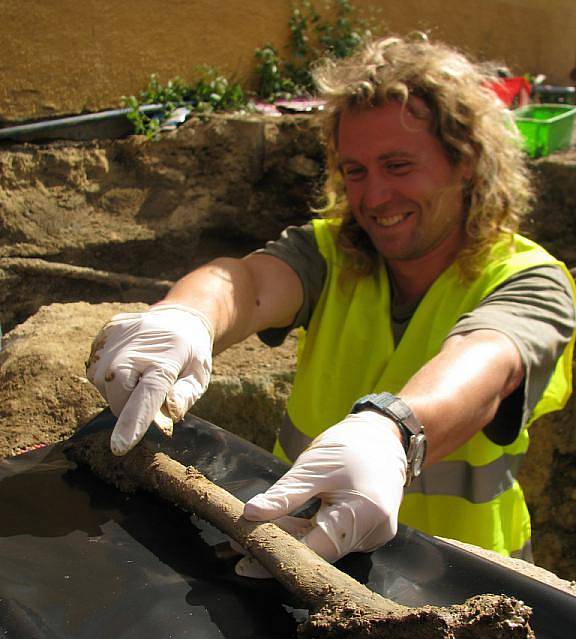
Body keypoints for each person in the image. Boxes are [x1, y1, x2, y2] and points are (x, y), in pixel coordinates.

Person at [87, 35, 575, 575]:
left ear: (466, 164)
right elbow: (244, 284)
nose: (373, 197)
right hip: (299, 543)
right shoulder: (330, 254)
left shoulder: (529, 280)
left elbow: (490, 360)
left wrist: (392, 433)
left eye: (398, 165)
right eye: (356, 171)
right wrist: (185, 316)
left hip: (459, 581)